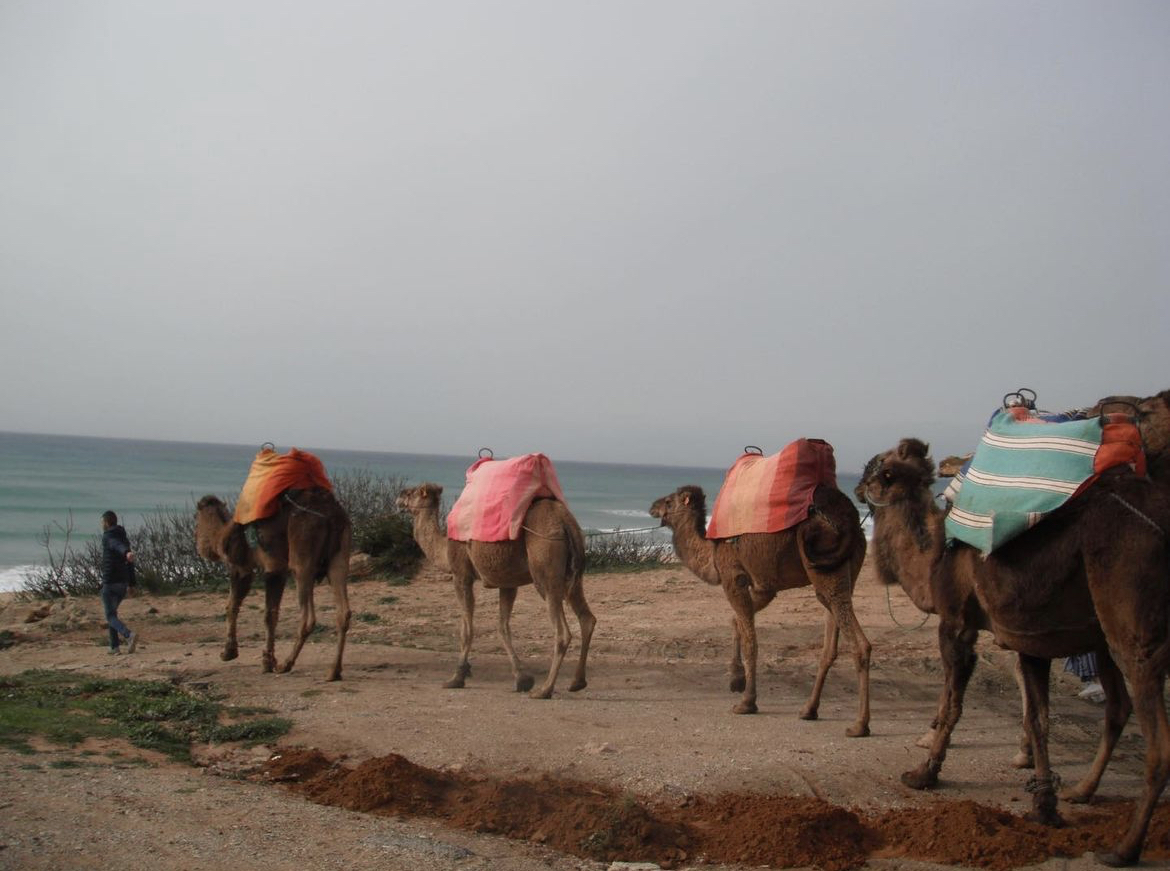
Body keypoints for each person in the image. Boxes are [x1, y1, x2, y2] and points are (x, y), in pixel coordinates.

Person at [99, 510, 138, 654]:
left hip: (111, 582)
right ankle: (114, 647)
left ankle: (128, 635)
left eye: (102, 522)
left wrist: (126, 552)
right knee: (112, 614)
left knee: (110, 616)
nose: (101, 525)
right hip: (122, 583)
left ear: (107, 522)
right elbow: (130, 563)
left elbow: (116, 546)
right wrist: (132, 584)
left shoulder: (109, 537)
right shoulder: (123, 537)